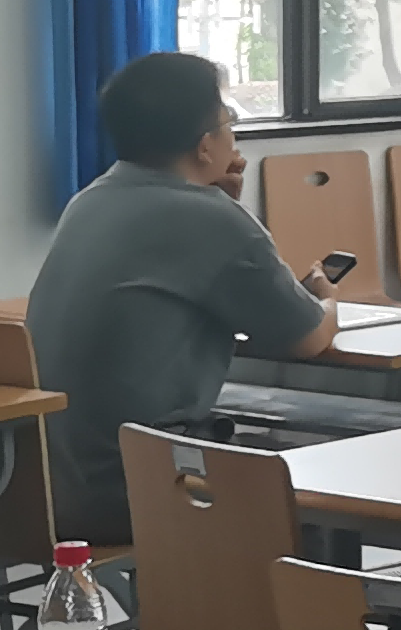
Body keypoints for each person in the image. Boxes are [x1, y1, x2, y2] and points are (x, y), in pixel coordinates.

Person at [26, 50, 338, 541]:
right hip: (132, 488)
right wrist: (327, 298)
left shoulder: (90, 200)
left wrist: (224, 206)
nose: (233, 133)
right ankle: (311, 590)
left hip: (45, 487)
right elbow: (308, 338)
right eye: (228, 120)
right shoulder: (210, 218)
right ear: (205, 145)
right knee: (317, 472)